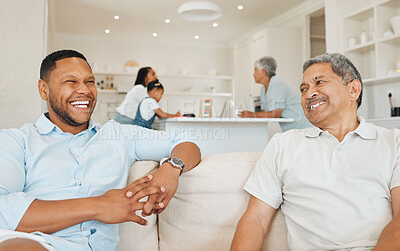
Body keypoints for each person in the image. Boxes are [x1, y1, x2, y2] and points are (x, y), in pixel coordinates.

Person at [0, 50, 201, 251]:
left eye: (89, 82)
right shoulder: (17, 141)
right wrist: (99, 206)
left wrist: (171, 169)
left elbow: (186, 142)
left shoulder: (119, 135)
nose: (84, 90)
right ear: (44, 89)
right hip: (37, 244)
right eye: (71, 81)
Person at [231, 53, 400, 250]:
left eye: (319, 83)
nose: (309, 94)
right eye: (303, 89)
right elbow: (255, 220)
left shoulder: (393, 142)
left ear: (353, 90)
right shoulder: (282, 145)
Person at [238, 56, 311, 131]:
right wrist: (251, 115)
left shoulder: (276, 84)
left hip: (302, 125)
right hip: (292, 128)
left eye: (255, 71)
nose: (253, 74)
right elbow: (265, 112)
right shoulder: (263, 89)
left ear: (263, 72)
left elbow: (275, 114)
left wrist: (252, 115)